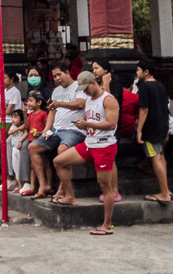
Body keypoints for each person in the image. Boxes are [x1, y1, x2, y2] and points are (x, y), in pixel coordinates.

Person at [53, 70, 120, 235]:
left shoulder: (109, 100)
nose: (85, 92)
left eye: (86, 88)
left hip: (104, 146)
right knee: (59, 161)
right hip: (89, 144)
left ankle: (107, 224)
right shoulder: (88, 99)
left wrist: (88, 124)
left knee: (105, 185)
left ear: (93, 83)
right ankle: (70, 196)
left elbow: (111, 124)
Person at [29, 64, 87, 200]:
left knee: (63, 149)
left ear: (67, 72)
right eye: (54, 76)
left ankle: (62, 188)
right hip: (56, 129)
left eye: (59, 74)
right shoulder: (56, 91)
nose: (57, 78)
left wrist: (60, 103)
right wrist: (46, 129)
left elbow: (80, 104)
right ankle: (43, 185)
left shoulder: (79, 87)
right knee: (33, 147)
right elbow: (52, 112)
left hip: (73, 129)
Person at [135, 58, 173, 204]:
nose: (137, 73)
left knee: (155, 157)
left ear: (146, 72)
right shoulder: (160, 86)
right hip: (162, 125)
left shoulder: (144, 87)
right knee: (161, 156)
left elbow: (144, 109)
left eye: (138, 70)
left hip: (151, 127)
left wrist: (139, 130)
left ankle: (164, 193)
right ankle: (167, 189)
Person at [20, 90, 49, 196]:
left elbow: (47, 127)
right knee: (33, 165)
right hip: (32, 140)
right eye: (28, 101)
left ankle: (48, 185)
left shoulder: (43, 114)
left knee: (45, 163)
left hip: (41, 141)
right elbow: (27, 126)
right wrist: (24, 113)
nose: (29, 103)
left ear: (39, 102)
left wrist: (41, 133)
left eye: (31, 101)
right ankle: (32, 187)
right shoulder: (30, 114)